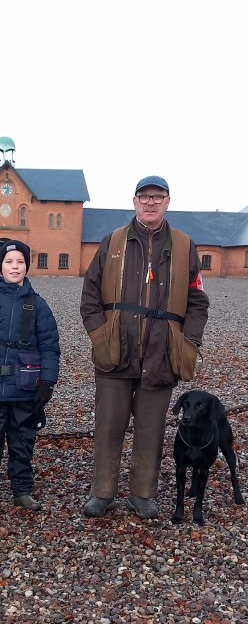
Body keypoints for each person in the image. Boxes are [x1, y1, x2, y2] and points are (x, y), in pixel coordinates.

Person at [80, 175, 209, 520]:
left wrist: (189, 341)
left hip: (162, 354)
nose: (151, 202)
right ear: (134, 201)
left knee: (151, 430)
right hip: (115, 353)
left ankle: (142, 494)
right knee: (108, 427)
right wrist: (100, 335)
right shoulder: (113, 242)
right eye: (144, 196)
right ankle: (102, 492)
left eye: (158, 197)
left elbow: (197, 300)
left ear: (167, 202)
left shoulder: (184, 246)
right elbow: (90, 294)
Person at [0, 239, 60, 513]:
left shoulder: (38, 306)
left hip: (25, 389)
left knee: (23, 443)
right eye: (9, 262)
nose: (14, 267)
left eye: (20, 262)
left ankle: (22, 490)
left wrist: (48, 383)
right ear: (0, 266)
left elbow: (50, 346)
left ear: (27, 266)